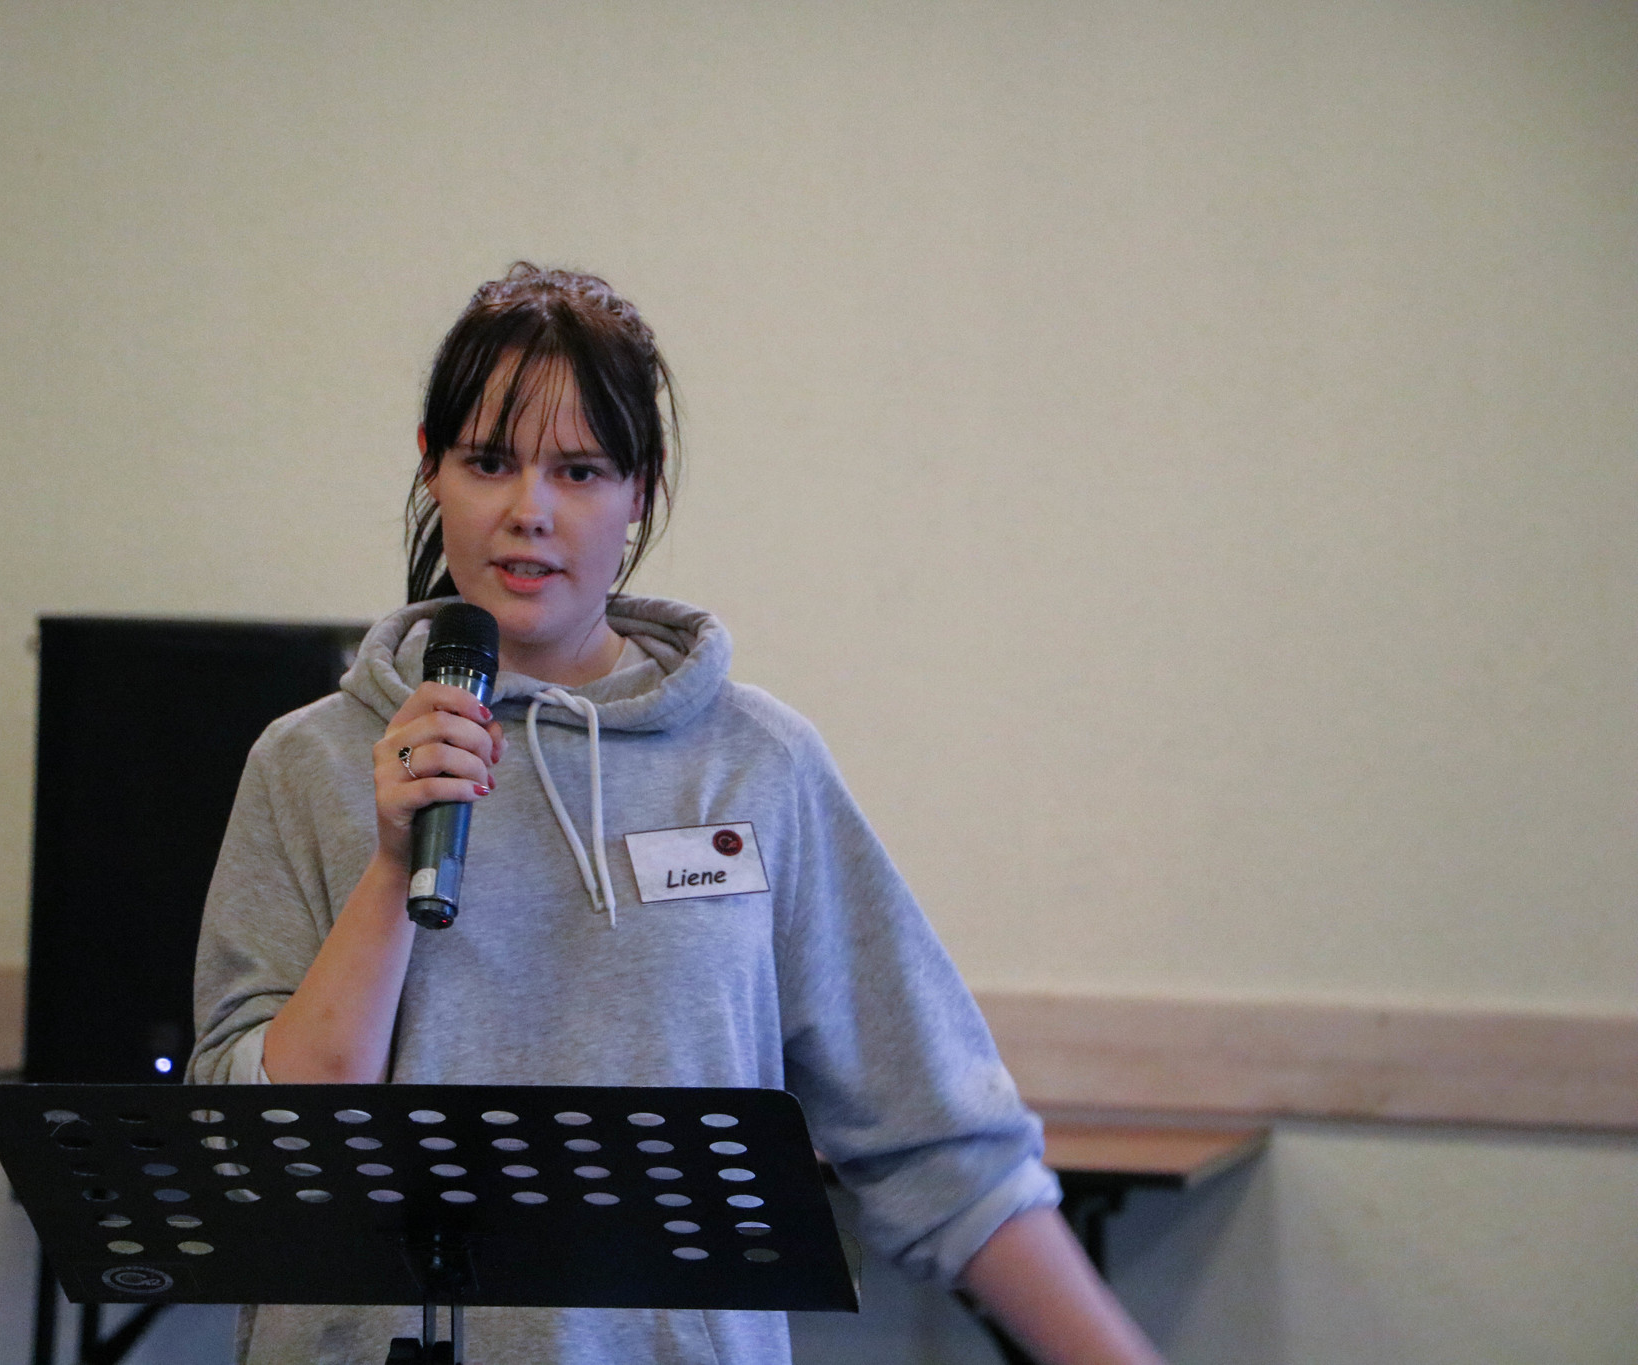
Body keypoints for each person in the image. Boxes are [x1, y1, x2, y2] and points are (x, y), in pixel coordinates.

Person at [189, 263, 1163, 1364]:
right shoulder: (307, 763)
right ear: (431, 468)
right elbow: (250, 1150)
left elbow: (940, 1144)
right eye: (488, 462)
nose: (529, 511)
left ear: (639, 492)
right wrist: (389, 868)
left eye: (579, 470)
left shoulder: (756, 765)